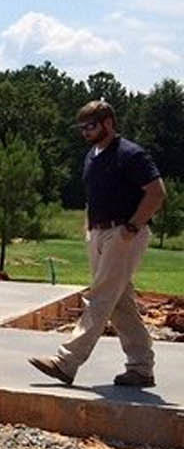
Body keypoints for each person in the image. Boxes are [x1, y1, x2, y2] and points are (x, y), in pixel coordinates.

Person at [29, 100, 166, 387]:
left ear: (108, 123)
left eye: (90, 126)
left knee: (101, 296)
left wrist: (131, 227)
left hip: (124, 233)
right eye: (81, 128)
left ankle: (67, 362)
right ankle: (141, 367)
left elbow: (156, 193)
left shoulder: (130, 154)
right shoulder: (92, 156)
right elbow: (94, 195)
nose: (85, 132)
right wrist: (89, 227)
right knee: (119, 302)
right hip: (99, 233)